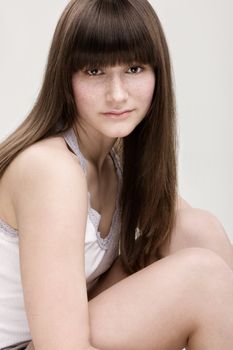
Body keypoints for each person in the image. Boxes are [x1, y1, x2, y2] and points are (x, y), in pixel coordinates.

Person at [0, 0, 233, 349]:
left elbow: (194, 232)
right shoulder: (51, 170)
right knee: (204, 279)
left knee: (197, 231)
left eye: (135, 68)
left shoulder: (116, 158)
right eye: (95, 71)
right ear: (66, 78)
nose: (117, 93)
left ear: (158, 74)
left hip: (57, 332)